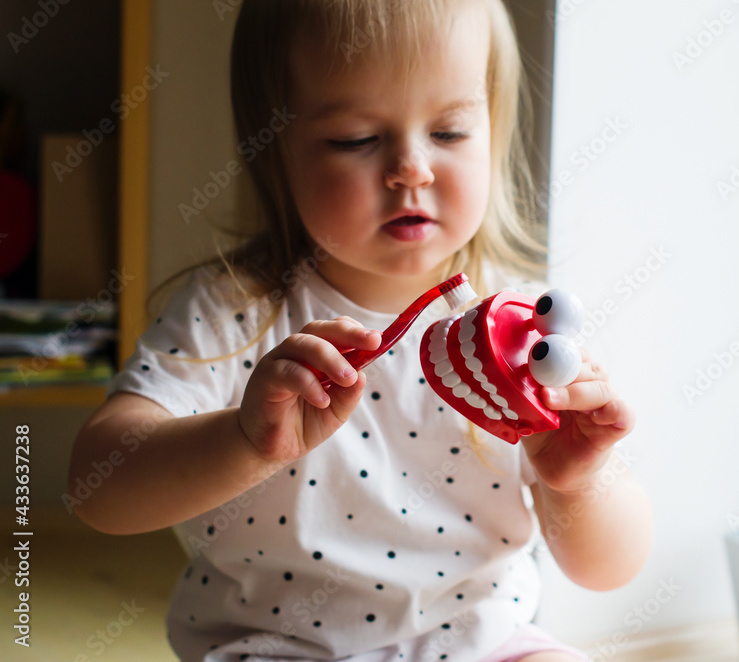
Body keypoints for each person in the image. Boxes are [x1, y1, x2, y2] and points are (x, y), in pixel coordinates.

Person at [69, 1, 654, 660]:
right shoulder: (234, 312)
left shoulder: (524, 332)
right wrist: (242, 442)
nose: (412, 168)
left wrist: (578, 480)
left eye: (452, 131)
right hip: (278, 648)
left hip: (481, 644)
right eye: (356, 139)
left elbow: (610, 568)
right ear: (276, 152)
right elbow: (98, 488)